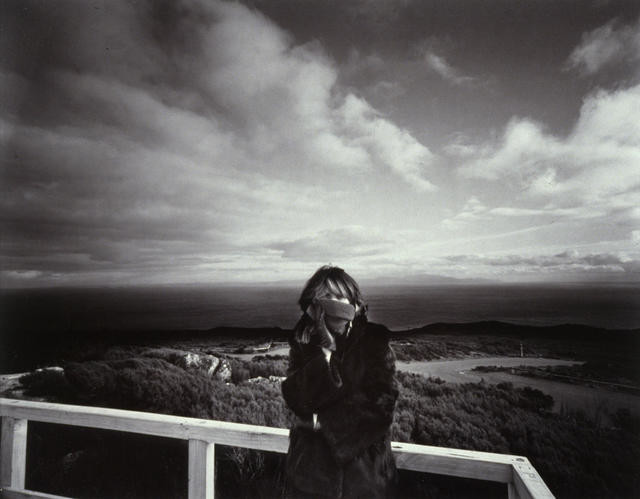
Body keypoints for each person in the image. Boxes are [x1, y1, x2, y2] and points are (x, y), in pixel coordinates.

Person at [281, 266, 398, 499]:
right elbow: (295, 397)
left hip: (365, 478)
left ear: (353, 302)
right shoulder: (303, 342)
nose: (333, 302)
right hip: (309, 477)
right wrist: (324, 353)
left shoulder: (374, 342)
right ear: (314, 305)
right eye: (326, 297)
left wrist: (322, 422)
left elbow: (382, 404)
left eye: (340, 296)